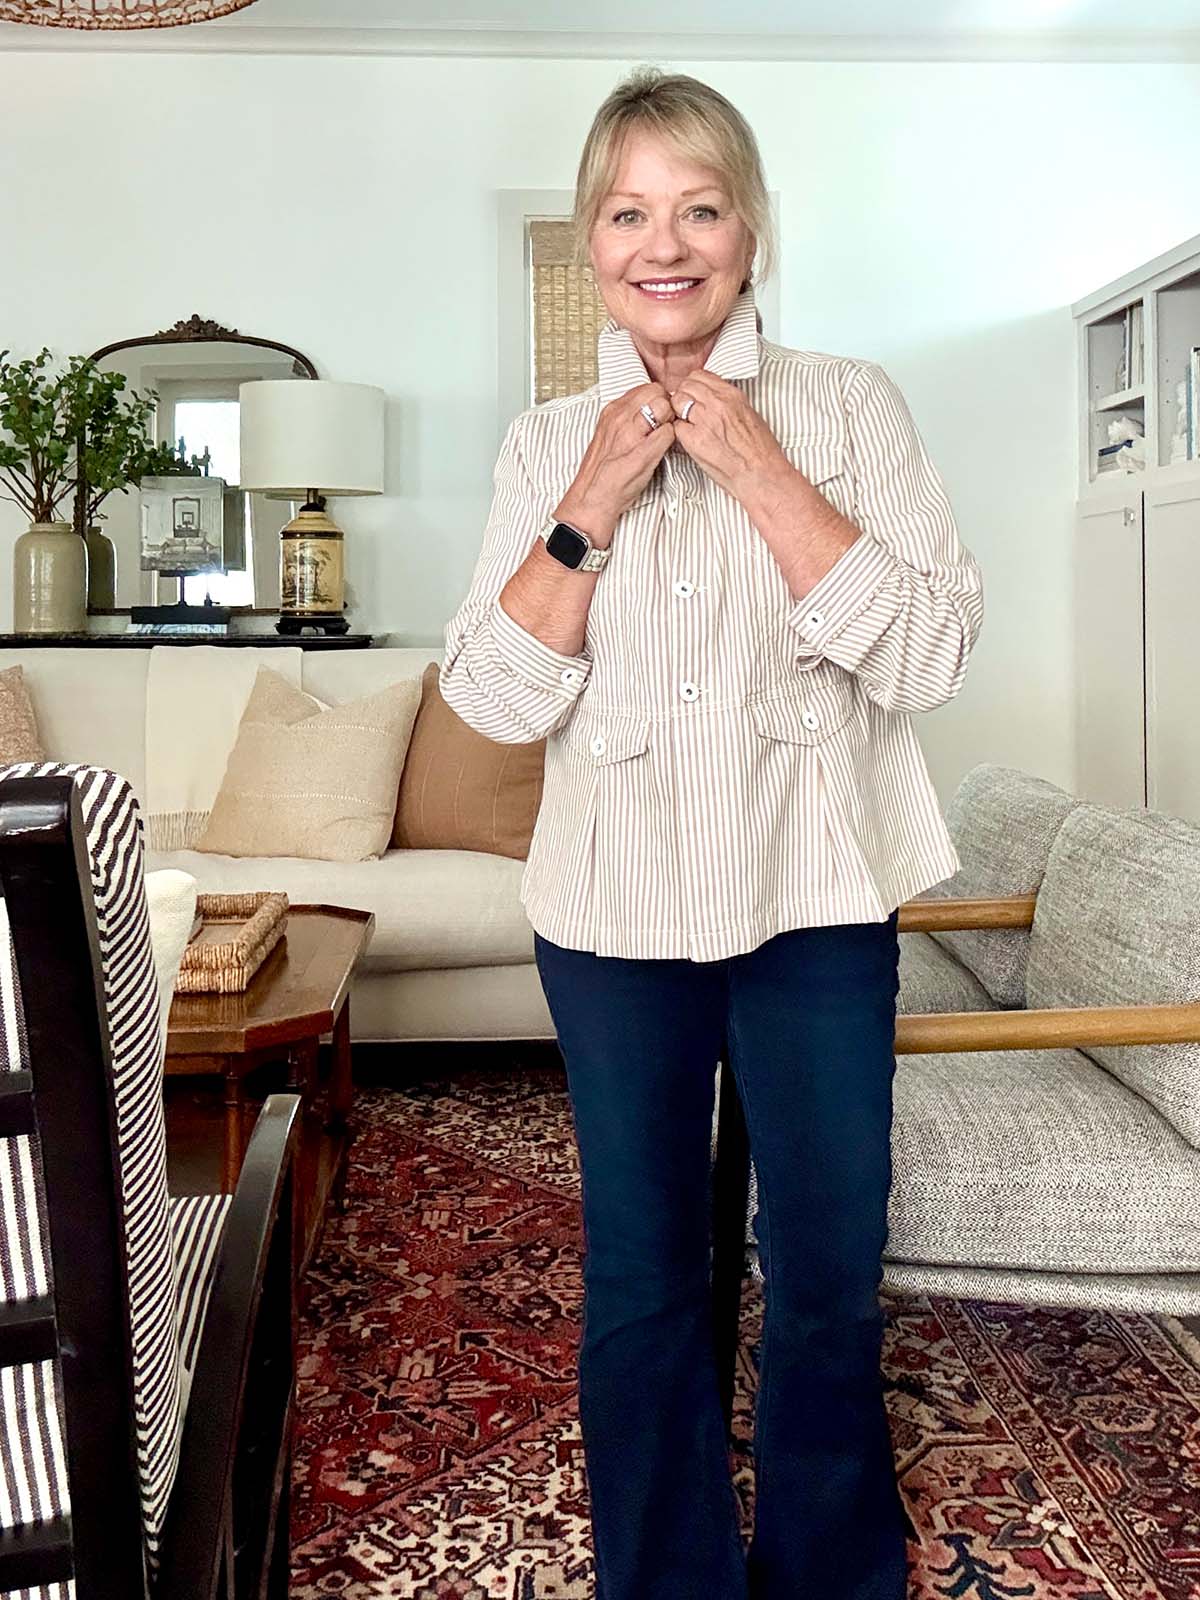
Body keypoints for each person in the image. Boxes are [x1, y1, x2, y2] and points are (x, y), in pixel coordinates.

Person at [440, 65, 984, 1600]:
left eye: (698, 208)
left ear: (751, 232)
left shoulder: (852, 405)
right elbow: (493, 695)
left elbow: (930, 655)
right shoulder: (547, 440)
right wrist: (592, 500)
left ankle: (831, 1572)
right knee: (641, 1271)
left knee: (826, 1264)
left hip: (818, 891)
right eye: (628, 213)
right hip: (613, 910)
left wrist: (760, 468)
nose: (663, 244)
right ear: (590, 242)